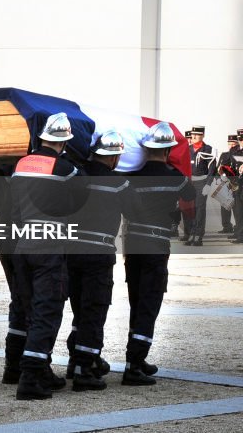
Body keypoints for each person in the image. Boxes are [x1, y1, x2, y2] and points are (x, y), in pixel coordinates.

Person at [9, 112, 87, 400]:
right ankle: (30, 378)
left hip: (22, 244)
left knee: (30, 310)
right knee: (47, 311)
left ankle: (39, 369)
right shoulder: (65, 168)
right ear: (64, 142)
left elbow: (14, 208)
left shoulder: (21, 164)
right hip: (49, 244)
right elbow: (81, 198)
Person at [65, 130, 139, 391]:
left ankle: (77, 362)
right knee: (94, 310)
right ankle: (85, 369)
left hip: (71, 251)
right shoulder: (119, 183)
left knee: (79, 310)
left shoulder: (77, 175)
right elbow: (134, 211)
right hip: (98, 254)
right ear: (115, 157)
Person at [123, 122, 194, 385]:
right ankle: (134, 365)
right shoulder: (175, 178)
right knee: (149, 304)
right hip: (156, 247)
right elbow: (190, 194)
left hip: (133, 245)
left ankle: (137, 360)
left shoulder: (130, 176)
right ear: (167, 151)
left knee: (136, 300)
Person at [184, 126, 215, 246]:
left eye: (197, 135)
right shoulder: (188, 149)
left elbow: (212, 168)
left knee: (200, 209)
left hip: (201, 183)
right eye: (193, 134)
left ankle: (198, 236)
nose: (194, 137)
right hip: (190, 183)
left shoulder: (207, 149)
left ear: (203, 136)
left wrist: (208, 184)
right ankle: (191, 233)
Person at [214, 134, 239, 235]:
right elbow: (218, 167)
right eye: (230, 144)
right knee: (224, 206)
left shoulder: (239, 154)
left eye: (234, 144)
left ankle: (238, 228)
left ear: (237, 144)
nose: (232, 146)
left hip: (235, 184)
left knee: (237, 208)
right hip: (224, 184)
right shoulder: (224, 155)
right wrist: (216, 179)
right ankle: (226, 226)